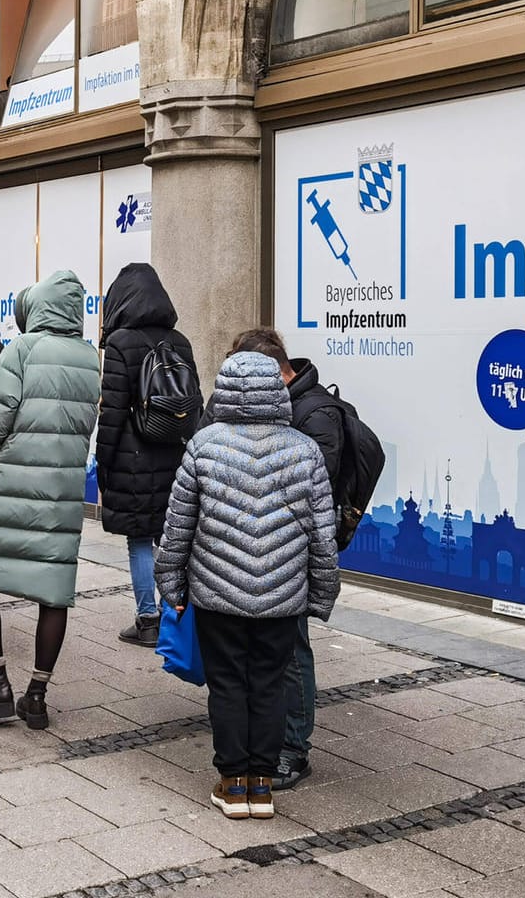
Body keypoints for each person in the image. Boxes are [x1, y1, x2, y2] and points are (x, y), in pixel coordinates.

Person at [155, 349, 338, 820]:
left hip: (219, 594)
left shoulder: (204, 445)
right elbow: (322, 535)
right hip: (282, 596)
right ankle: (263, 783)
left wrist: (171, 588)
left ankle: (232, 783)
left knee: (228, 686)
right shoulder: (304, 450)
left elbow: (178, 527)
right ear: (278, 392)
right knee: (270, 685)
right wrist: (321, 596)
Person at [0, 272, 99, 728]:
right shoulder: (89, 358)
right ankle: (36, 694)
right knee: (53, 591)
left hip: (8, 483)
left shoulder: (23, 349)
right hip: (61, 491)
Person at [218, 327, 347, 792]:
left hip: (287, 561)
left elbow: (314, 504)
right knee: (267, 660)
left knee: (292, 655)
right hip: (256, 557)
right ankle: (262, 743)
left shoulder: (315, 417)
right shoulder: (276, 413)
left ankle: (294, 746)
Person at [96, 263, 201, 648]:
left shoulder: (122, 343)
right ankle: (173, 613)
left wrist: (103, 466)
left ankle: (147, 619)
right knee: (172, 538)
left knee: (139, 540)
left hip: (131, 458)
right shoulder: (182, 341)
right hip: (175, 455)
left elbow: (111, 412)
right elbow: (195, 406)